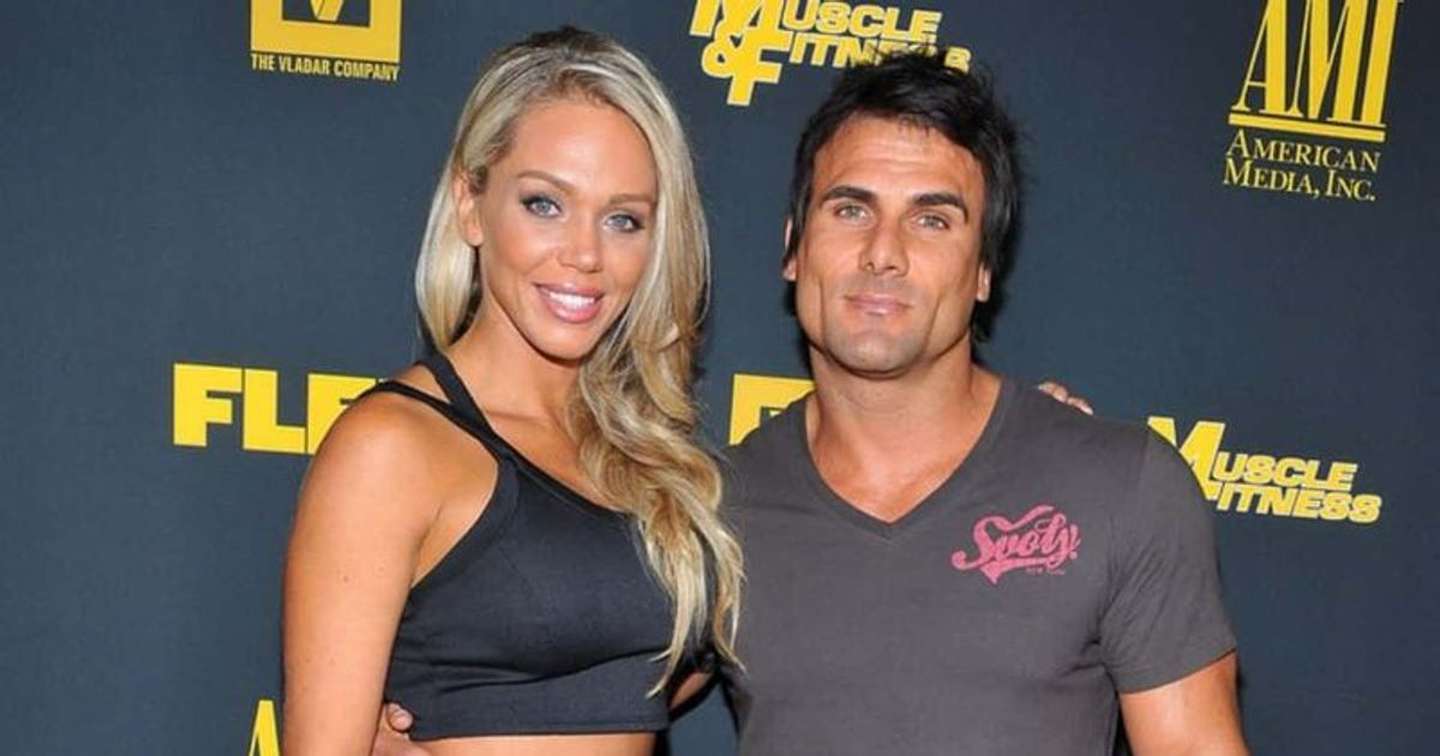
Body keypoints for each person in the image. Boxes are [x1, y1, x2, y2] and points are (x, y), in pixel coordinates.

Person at [376, 50, 1220, 756]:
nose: (883, 253)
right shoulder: (708, 514)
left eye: (933, 220)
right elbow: (572, 671)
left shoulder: (1118, 486)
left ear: (984, 271)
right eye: (851, 209)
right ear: (793, 247)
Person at [282, 27, 743, 755]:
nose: (585, 255)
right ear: (471, 204)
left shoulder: (648, 457)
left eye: (623, 219)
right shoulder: (393, 448)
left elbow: (647, 676)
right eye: (544, 204)